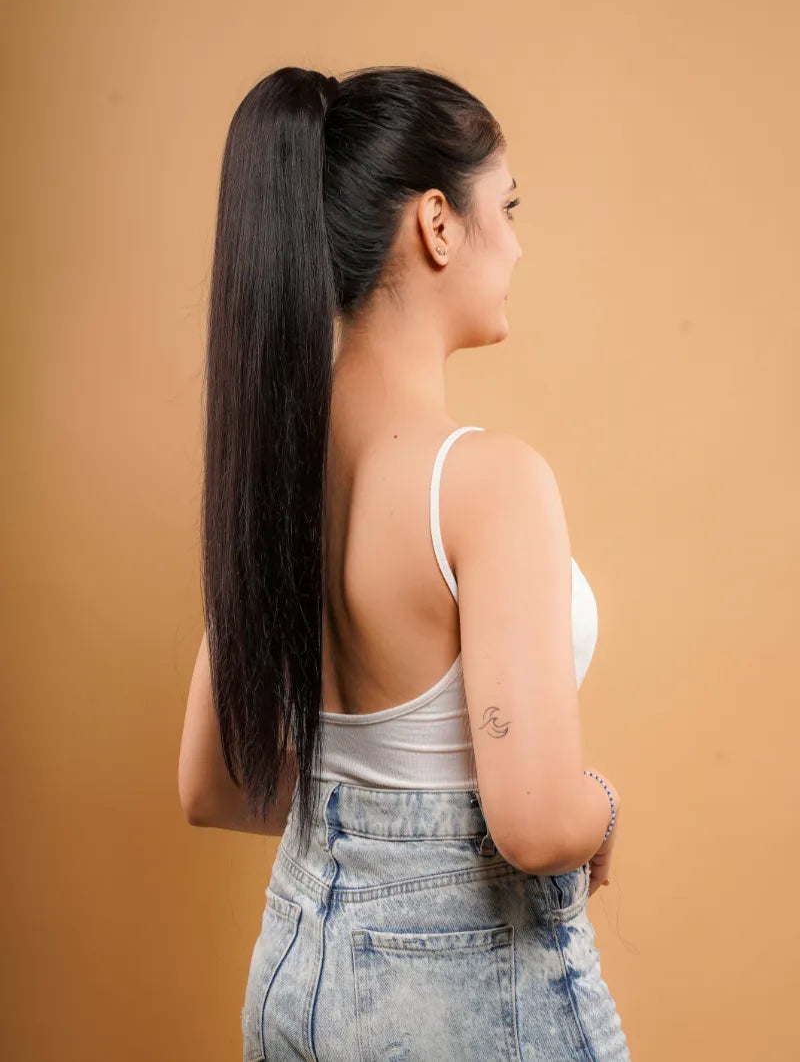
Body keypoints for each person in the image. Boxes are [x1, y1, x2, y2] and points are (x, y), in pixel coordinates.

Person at [183, 64, 631, 1060]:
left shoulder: (276, 473)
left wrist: (361, 829)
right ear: (436, 223)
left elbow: (212, 785)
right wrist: (600, 802)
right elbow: (534, 823)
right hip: (459, 988)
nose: (516, 244)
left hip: (294, 965)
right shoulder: (487, 482)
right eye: (505, 208)